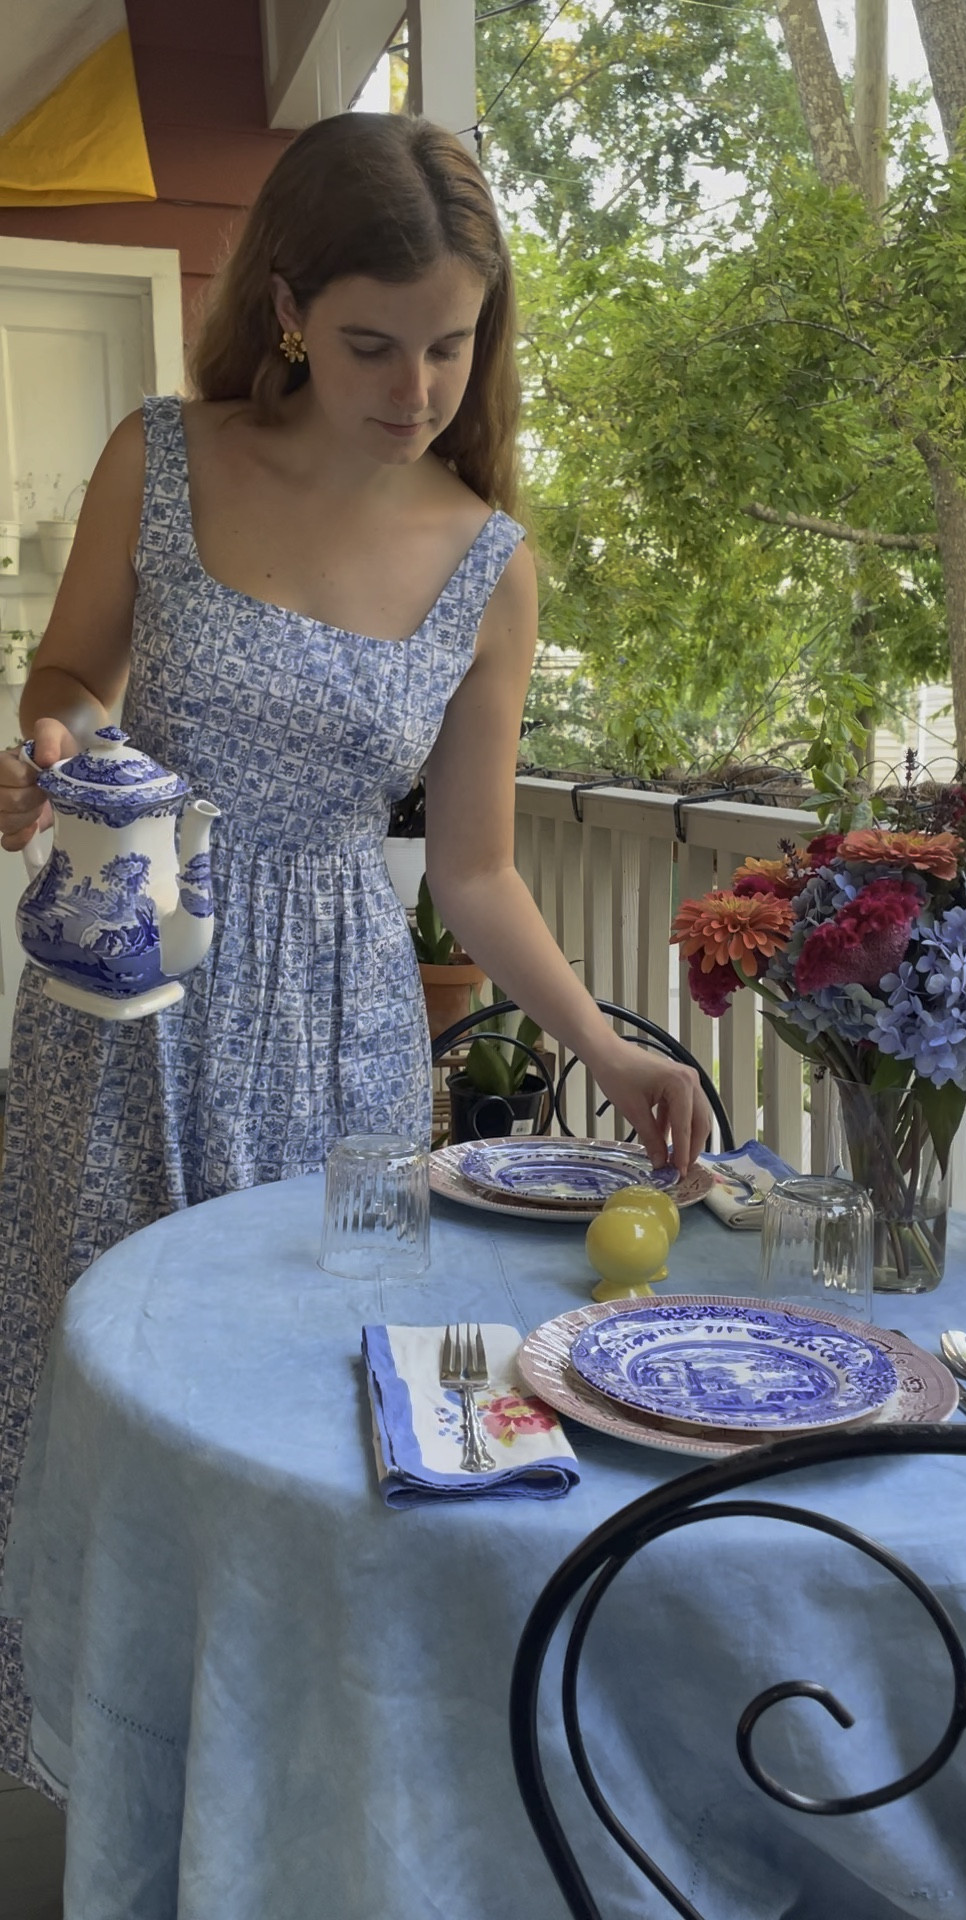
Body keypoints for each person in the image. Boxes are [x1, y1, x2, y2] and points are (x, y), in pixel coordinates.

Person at [0, 112, 712, 1784]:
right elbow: (65, 675)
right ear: (293, 309)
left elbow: (471, 871)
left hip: (341, 1023)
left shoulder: (488, 561)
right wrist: (69, 749)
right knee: (102, 1373)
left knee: (330, 1390)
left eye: (453, 345)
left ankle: (307, 1775)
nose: (416, 387)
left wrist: (609, 1047)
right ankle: (104, 1768)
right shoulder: (160, 456)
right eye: (375, 343)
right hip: (133, 980)